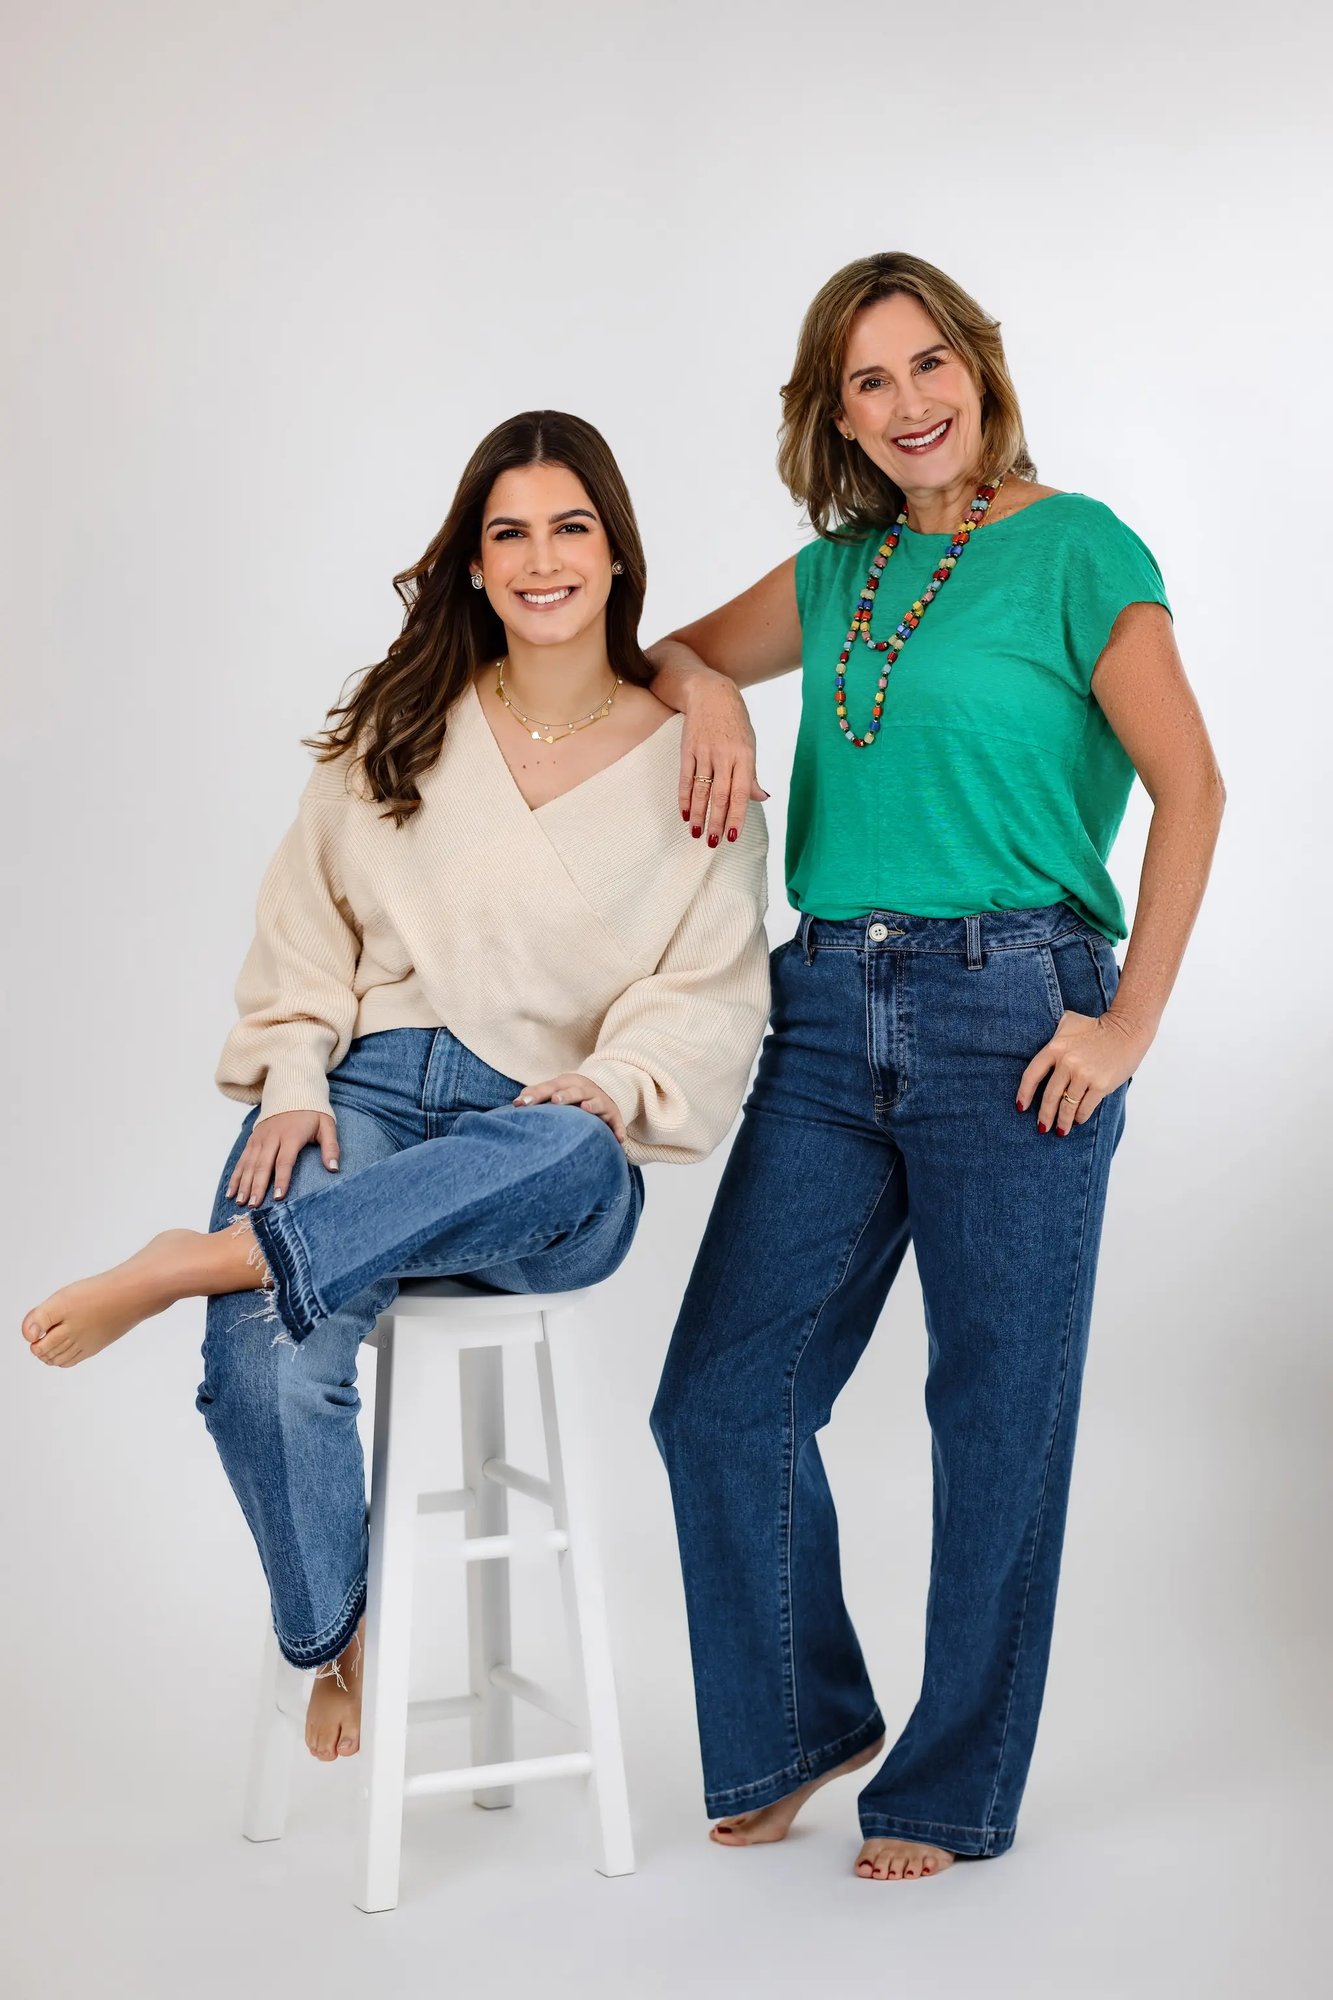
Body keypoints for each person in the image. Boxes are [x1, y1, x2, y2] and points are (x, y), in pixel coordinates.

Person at [21, 410, 770, 1763]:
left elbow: (712, 990)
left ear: (614, 555)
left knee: (564, 1152)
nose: (540, 559)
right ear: (473, 566)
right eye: (508, 533)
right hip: (364, 1091)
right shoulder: (401, 721)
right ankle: (336, 1638)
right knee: (261, 1352)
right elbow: (304, 932)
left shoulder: (691, 758)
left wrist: (610, 1082)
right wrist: (297, 1070)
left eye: (569, 527)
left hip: (539, 1142)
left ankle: (207, 1259)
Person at [646, 253, 1225, 1883]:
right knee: (719, 1401)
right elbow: (667, 654)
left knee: (995, 1423)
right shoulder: (832, 574)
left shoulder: (1075, 548)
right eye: (865, 382)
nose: (906, 404)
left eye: (924, 365)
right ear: (833, 414)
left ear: (976, 365)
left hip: (1016, 1010)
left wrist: (1128, 1026)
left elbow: (1193, 788)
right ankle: (793, 1730)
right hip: (825, 1009)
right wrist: (710, 701)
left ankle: (946, 1791)